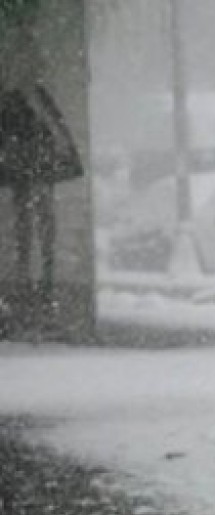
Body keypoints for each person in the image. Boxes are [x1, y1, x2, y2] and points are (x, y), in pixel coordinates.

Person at [0, 8, 83, 337]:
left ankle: (35, 292)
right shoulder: (23, 99)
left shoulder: (25, 98)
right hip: (31, 158)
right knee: (34, 223)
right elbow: (57, 133)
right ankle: (34, 293)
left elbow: (57, 133)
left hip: (31, 159)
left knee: (34, 223)